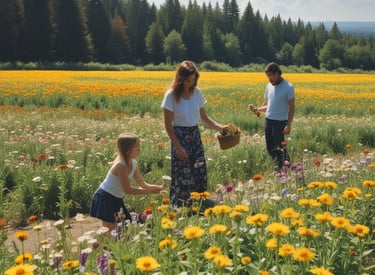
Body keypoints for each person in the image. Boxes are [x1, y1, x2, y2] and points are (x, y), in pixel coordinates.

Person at [161, 60, 227, 207]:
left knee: (199, 169)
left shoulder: (197, 93)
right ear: (180, 78)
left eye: (192, 80)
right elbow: (167, 124)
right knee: (183, 173)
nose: (189, 84)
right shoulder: (171, 95)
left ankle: (198, 202)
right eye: (186, 80)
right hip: (179, 136)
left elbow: (204, 118)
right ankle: (181, 206)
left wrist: (221, 128)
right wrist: (177, 147)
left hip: (194, 135)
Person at [90, 132, 164, 230]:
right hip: (105, 198)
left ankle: (109, 244)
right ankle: (104, 245)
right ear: (128, 150)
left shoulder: (133, 163)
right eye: (137, 146)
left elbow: (142, 183)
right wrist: (149, 191)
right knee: (111, 230)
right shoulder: (120, 165)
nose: (139, 149)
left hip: (116, 198)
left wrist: (157, 187)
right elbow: (128, 190)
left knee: (125, 225)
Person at [249, 62, 295, 170]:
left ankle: (285, 169)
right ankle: (280, 168)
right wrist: (257, 110)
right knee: (270, 148)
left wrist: (288, 125)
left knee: (279, 148)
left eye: (271, 76)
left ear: (277, 73)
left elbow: (292, 108)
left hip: (280, 123)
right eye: (267, 76)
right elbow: (267, 106)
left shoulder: (288, 87)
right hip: (268, 121)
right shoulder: (269, 86)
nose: (269, 79)